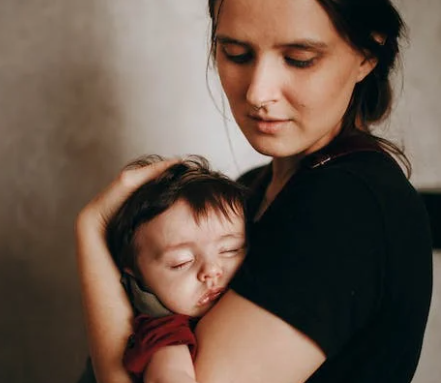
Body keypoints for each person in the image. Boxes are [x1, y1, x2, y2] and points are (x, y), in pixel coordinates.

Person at [75, 0, 433, 382]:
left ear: (367, 54)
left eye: (298, 58)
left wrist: (92, 231)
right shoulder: (251, 188)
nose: (258, 93)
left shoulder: (347, 205)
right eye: (237, 54)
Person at [108, 155, 247, 382]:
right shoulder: (164, 334)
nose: (212, 270)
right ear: (138, 275)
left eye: (230, 250)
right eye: (181, 262)